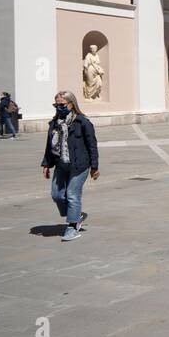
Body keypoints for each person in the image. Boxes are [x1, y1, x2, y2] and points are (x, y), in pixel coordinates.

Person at [41, 90, 99, 242]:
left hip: (80, 165)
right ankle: (76, 214)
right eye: (56, 105)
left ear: (71, 104)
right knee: (57, 195)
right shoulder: (54, 123)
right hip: (61, 164)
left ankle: (72, 226)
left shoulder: (82, 122)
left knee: (72, 195)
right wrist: (46, 164)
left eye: (62, 105)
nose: (59, 107)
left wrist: (94, 167)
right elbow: (49, 145)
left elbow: (92, 145)